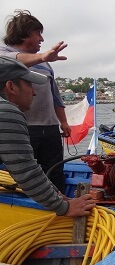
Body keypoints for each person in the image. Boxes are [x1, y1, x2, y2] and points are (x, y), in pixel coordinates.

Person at [0, 56, 95, 217]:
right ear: (11, 86)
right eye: (29, 84)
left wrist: (57, 195)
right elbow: (26, 172)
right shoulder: (6, 112)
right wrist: (64, 207)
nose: (35, 92)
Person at [0, 10, 70, 192]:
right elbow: (14, 61)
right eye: (38, 33)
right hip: (23, 128)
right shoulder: (3, 54)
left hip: (50, 127)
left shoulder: (46, 65)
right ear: (24, 34)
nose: (42, 39)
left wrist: (63, 122)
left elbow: (54, 95)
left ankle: (60, 207)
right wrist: (42, 56)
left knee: (55, 173)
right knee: (24, 177)